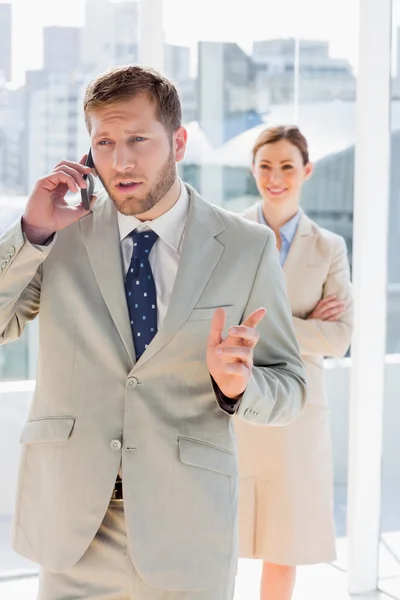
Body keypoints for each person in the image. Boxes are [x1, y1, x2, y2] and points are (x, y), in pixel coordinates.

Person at [0, 68, 306, 600]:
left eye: (138, 139)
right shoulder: (58, 234)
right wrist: (30, 233)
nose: (121, 161)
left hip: (188, 531)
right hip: (75, 532)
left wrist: (237, 388)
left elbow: (290, 389)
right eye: (105, 142)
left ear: (178, 141)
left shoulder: (245, 247)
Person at [235, 125, 353, 600]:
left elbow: (340, 337)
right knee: (221, 536)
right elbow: (213, 323)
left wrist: (261, 325)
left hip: (298, 417)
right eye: (265, 165)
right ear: (253, 170)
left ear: (306, 171)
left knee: (284, 544)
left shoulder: (329, 248)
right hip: (234, 406)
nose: (275, 177)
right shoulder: (232, 234)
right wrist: (302, 324)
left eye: (287, 166)